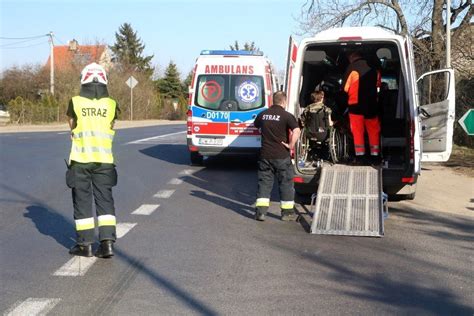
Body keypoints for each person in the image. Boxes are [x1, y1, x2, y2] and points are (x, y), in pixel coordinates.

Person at [66, 63, 119, 258]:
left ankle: (84, 245)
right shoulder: (111, 104)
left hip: (80, 160)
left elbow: (71, 126)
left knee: (82, 200)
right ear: (104, 80)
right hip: (104, 161)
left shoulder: (75, 102)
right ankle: (107, 244)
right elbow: (112, 124)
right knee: (105, 200)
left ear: (84, 80)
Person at [253, 91, 301, 221]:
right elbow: (297, 130)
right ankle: (287, 214)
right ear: (284, 101)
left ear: (273, 101)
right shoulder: (287, 116)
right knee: (285, 184)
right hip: (281, 156)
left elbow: (256, 126)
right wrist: (291, 145)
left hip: (265, 155)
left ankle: (261, 213)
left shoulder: (262, 114)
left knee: (264, 184)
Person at [342, 50, 381, 163]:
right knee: (373, 130)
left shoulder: (351, 68)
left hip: (356, 106)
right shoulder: (373, 69)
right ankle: (375, 155)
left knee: (358, 131)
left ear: (352, 57)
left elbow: (345, 87)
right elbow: (378, 84)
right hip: (372, 105)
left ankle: (360, 157)